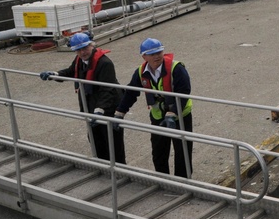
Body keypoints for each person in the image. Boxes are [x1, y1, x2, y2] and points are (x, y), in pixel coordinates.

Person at [40, 32, 125, 164]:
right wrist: (54, 75)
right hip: (91, 106)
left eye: (85, 48)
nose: (83, 52)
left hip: (109, 108)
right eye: (78, 50)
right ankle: (103, 167)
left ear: (91, 46)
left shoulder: (105, 63)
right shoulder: (79, 60)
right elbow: (71, 71)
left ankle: (120, 172)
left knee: (113, 143)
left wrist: (99, 111)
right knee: (96, 140)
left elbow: (107, 89)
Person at [115, 38, 194, 178]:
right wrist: (120, 112)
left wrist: (173, 113)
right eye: (152, 54)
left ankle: (183, 182)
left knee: (182, 151)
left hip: (180, 114)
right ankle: (162, 180)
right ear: (144, 56)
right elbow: (131, 92)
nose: (157, 56)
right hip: (158, 116)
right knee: (159, 151)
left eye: (159, 52)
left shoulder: (176, 69)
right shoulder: (140, 72)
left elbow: (184, 91)